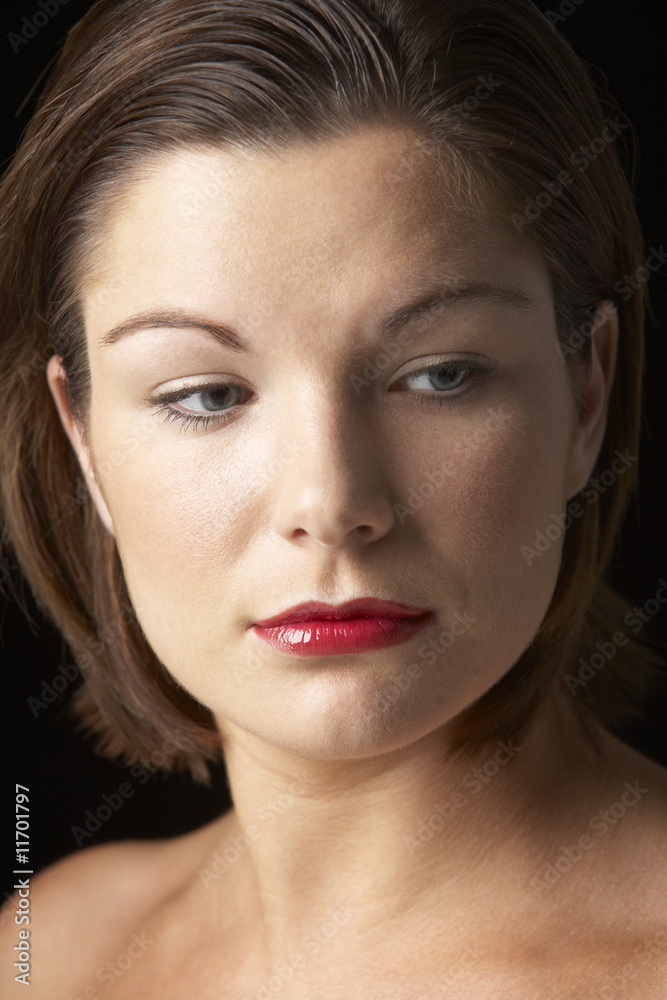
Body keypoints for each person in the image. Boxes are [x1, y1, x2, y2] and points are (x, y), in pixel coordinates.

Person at [1, 0, 666, 995]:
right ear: (83, 439)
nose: (330, 501)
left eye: (439, 375)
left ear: (585, 395)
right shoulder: (49, 952)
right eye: (206, 396)